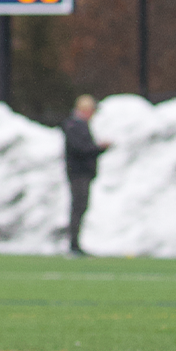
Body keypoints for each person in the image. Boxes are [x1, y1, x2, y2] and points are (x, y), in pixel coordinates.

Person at [61, 94, 110, 256]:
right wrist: (99, 148)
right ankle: (73, 245)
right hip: (78, 173)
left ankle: (75, 244)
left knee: (80, 207)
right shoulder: (74, 126)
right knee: (78, 208)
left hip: (82, 173)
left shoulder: (78, 125)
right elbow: (81, 149)